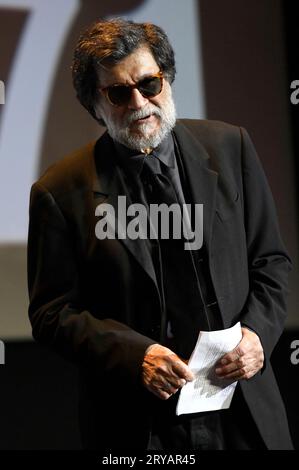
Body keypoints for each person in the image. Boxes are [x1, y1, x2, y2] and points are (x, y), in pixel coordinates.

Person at [27, 18, 293, 450]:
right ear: (94, 104)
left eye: (149, 84)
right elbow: (52, 312)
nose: (139, 102)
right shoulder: (58, 192)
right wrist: (138, 357)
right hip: (138, 424)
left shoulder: (232, 147)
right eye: (118, 92)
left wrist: (258, 335)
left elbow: (270, 261)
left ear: (166, 79)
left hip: (245, 408)